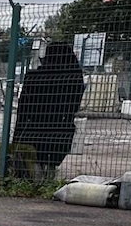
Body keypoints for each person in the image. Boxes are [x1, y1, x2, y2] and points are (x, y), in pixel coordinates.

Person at [11, 41, 87, 179]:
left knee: (32, 160)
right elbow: (74, 106)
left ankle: (34, 176)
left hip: (31, 129)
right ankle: (48, 174)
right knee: (50, 157)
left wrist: (17, 136)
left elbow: (23, 108)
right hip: (60, 130)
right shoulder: (74, 78)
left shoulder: (34, 77)